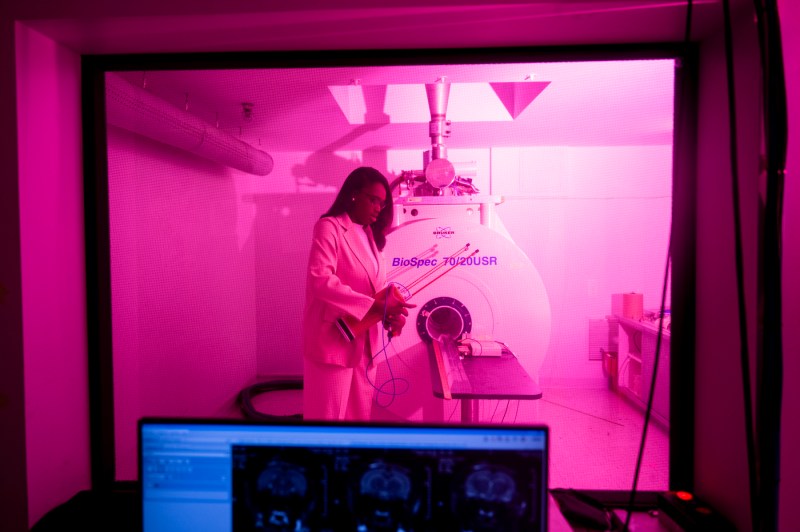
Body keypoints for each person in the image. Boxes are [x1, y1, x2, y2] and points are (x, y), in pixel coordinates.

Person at [302, 167, 415, 421]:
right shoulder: (329, 227)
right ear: (354, 194)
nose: (379, 208)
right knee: (326, 419)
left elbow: (377, 291)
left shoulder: (372, 238)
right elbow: (320, 280)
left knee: (358, 418)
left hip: (365, 344)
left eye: (383, 203)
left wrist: (392, 317)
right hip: (333, 340)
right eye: (374, 200)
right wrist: (375, 306)